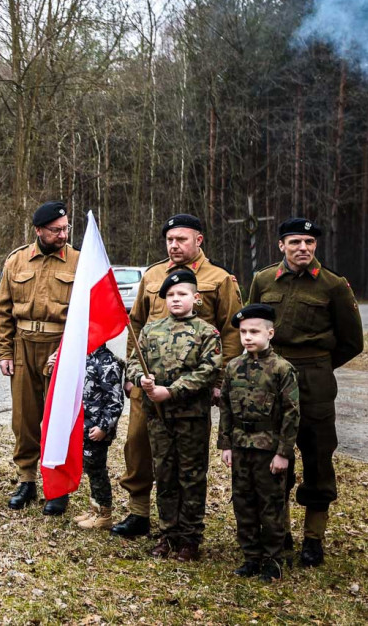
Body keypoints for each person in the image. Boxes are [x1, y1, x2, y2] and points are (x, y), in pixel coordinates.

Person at [112, 213, 242, 539]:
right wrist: (132, 373)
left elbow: (231, 332)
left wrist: (219, 381)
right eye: (170, 240)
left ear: (199, 240)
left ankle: (187, 527)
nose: (174, 245)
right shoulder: (154, 275)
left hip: (190, 391)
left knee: (188, 459)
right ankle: (139, 512)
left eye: (181, 239)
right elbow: (136, 324)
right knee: (139, 445)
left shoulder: (220, 279)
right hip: (150, 387)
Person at [247, 217, 363, 567]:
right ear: (281, 245)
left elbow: (352, 342)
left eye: (309, 243)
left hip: (314, 384)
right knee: (273, 460)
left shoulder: (333, 285)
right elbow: (253, 326)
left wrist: (318, 367)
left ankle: (313, 538)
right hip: (271, 383)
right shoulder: (263, 280)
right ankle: (278, 530)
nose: (303, 249)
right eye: (295, 242)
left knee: (318, 461)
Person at [127, 270, 222, 561]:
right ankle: (168, 533)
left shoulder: (207, 333)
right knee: (165, 475)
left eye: (182, 294)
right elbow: (133, 363)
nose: (176, 299)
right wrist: (141, 380)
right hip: (159, 417)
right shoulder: (151, 330)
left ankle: (190, 538)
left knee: (191, 476)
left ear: (196, 298)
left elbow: (209, 370)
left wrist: (172, 390)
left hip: (191, 417)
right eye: (170, 295)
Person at [0, 201, 79, 513]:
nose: (63, 234)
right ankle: (26, 479)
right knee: (24, 419)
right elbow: (3, 310)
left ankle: (57, 486)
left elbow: (84, 315)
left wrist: (69, 351)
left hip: (59, 346)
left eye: (66, 228)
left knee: (57, 420)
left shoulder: (78, 261)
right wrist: (5, 351)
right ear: (39, 231)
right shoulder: (17, 261)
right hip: (22, 345)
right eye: (56, 230)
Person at [218, 303, 299, 583]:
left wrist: (284, 453)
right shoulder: (233, 367)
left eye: (254, 331)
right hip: (241, 447)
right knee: (243, 503)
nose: (248, 337)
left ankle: (274, 560)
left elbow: (292, 413)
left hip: (269, 448)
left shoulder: (281, 369)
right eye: (243, 332)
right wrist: (226, 445)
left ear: (270, 333)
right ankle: (251, 557)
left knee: (271, 505)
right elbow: (225, 408)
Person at [73, 344, 124, 530]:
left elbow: (115, 401)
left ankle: (104, 514)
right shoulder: (84, 356)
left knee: (97, 471)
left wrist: (103, 427)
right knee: (90, 468)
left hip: (97, 430)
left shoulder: (107, 362)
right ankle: (94, 509)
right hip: (85, 427)